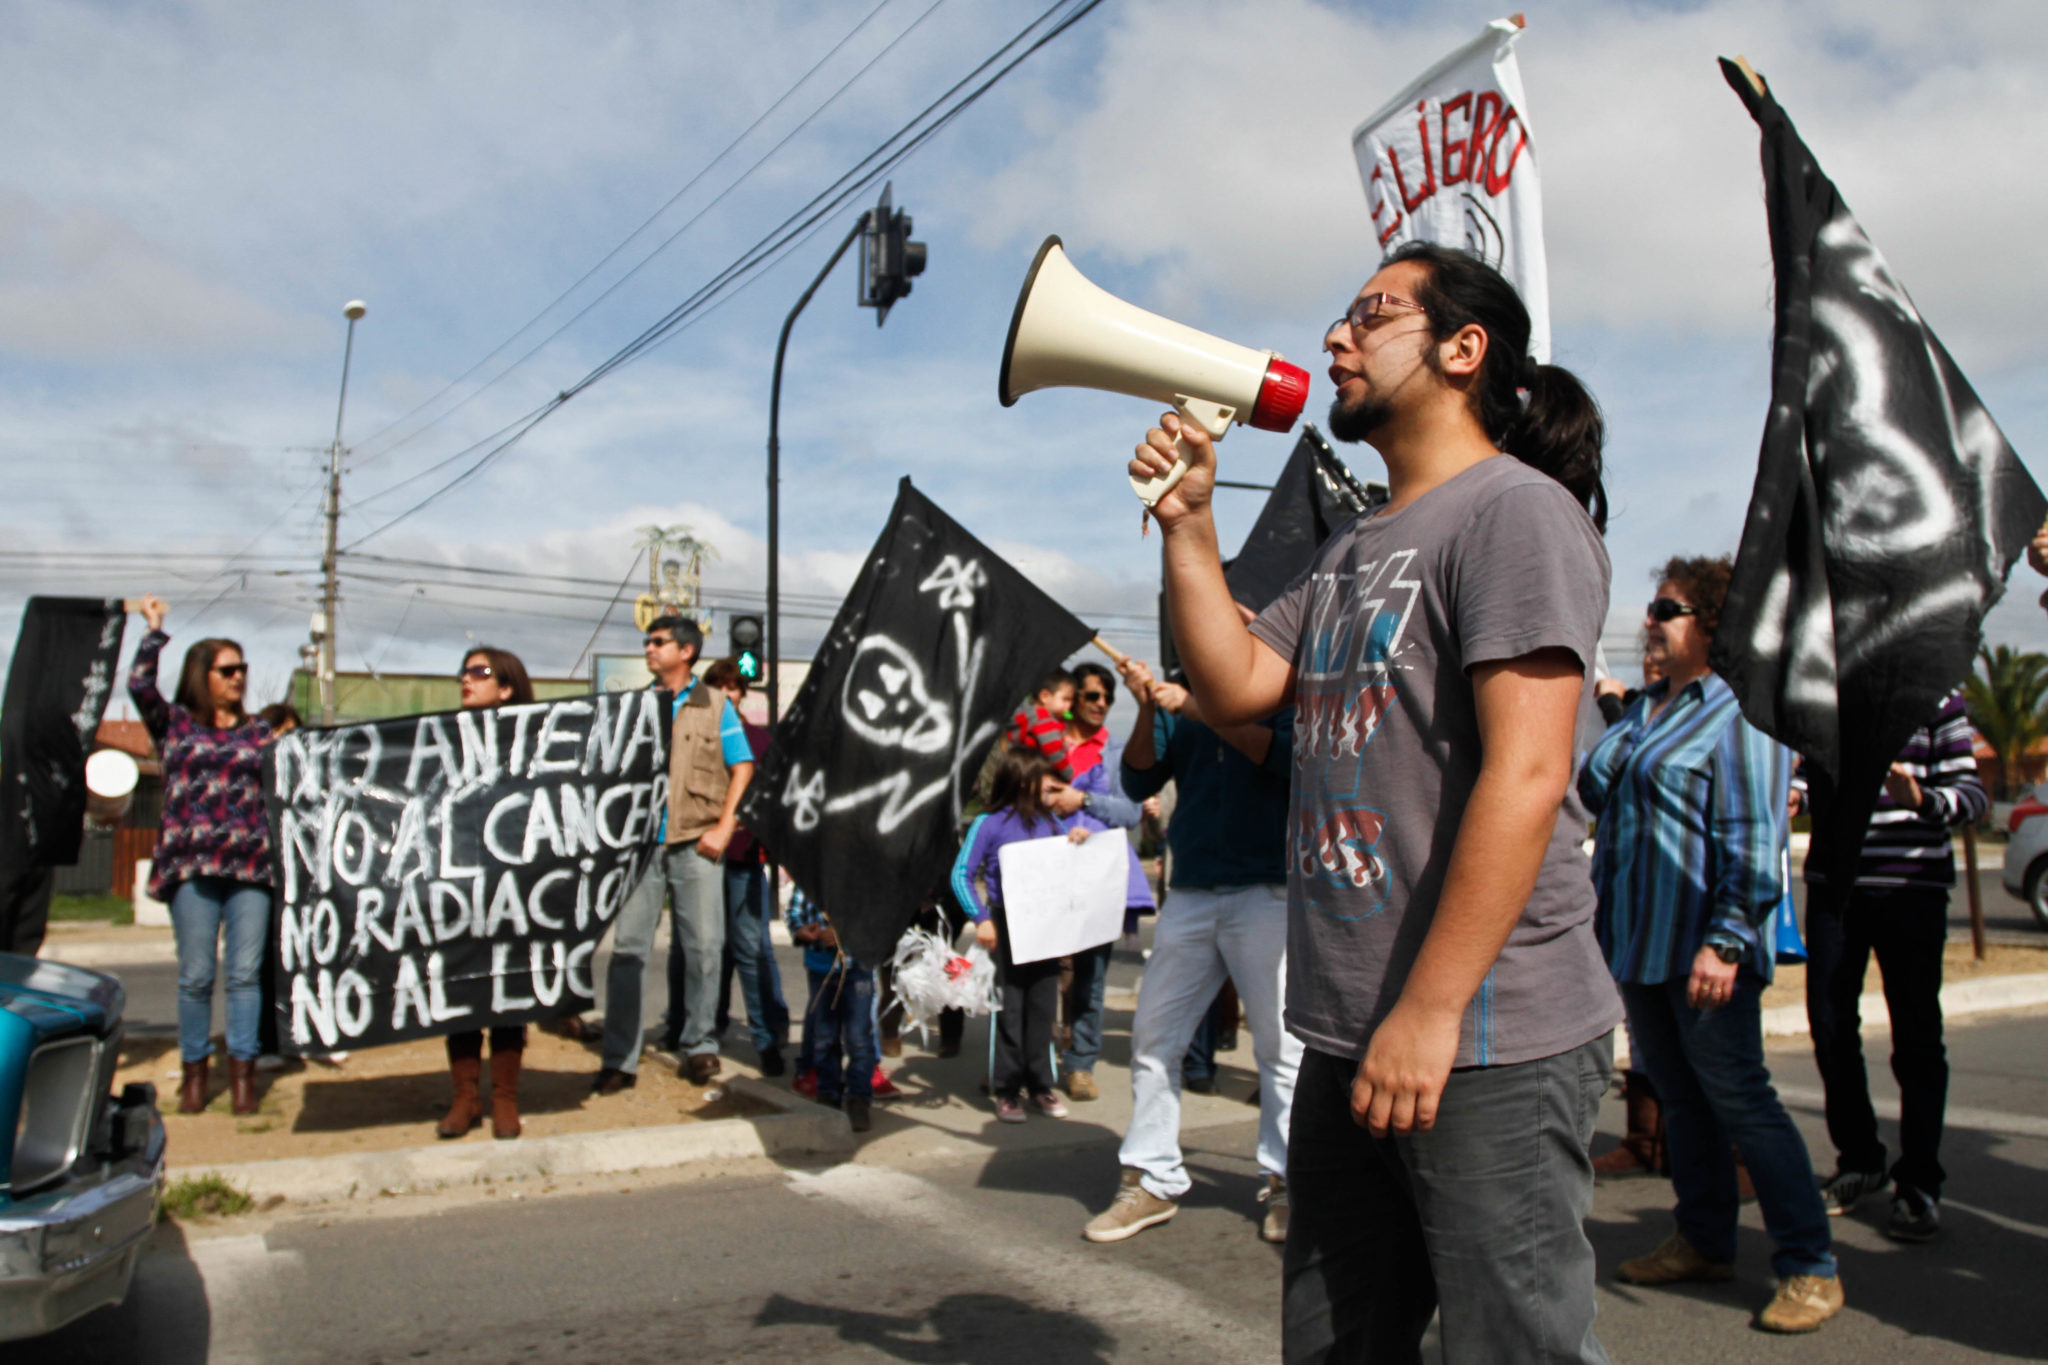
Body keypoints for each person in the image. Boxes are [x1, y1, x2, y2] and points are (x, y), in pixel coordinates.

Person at [1134, 242, 1620, 1362]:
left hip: (1483, 1034)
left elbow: (1527, 775)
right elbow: (1232, 686)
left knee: (1515, 1347)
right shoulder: (1353, 543)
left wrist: (1430, 1011)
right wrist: (1188, 524)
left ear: (1463, 349)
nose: (1334, 339)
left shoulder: (1516, 513)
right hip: (1349, 1028)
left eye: (1372, 315)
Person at [1579, 557, 1842, 1334]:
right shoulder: (1650, 708)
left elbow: (1758, 838)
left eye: (1669, 610)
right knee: (1681, 1098)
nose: (1651, 621)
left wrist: (1726, 942)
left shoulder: (1740, 710)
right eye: (1653, 609)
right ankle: (1702, 1238)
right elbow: (1594, 788)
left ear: (1715, 625)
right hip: (1642, 943)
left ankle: (1810, 1263)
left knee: (1741, 1100)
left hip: (1704, 945)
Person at [1083, 658, 1301, 1246]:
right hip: (1191, 893)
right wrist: (1146, 707)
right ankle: (1151, 1177)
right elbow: (1137, 783)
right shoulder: (1178, 689)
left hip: (1270, 890)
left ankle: (1288, 1182)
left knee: (1282, 1049)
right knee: (1154, 1040)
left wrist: (1202, 710)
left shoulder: (1284, 683)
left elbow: (1286, 759)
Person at [1797, 689, 1986, 1241]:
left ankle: (1919, 1180)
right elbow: (1810, 777)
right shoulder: (1828, 693)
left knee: (1917, 1036)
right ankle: (1860, 1159)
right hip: (1834, 886)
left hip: (1911, 888)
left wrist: (1922, 798)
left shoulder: (1937, 694)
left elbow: (1972, 796)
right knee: (1829, 1026)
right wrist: (1793, 794)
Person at [125, 595, 275, 1117]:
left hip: (251, 868)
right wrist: (154, 629)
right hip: (191, 868)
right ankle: (194, 1076)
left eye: (242, 669)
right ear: (203, 675)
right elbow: (138, 686)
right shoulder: (175, 725)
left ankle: (243, 1077)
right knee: (195, 976)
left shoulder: (259, 732)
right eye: (227, 669)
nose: (238, 677)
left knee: (245, 975)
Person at [594, 616, 754, 1092]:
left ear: (686, 651)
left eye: (659, 642)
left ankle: (700, 1045)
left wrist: (724, 828)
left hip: (696, 842)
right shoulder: (635, 706)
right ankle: (620, 1058)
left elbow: (742, 768)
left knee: (704, 947)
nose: (649, 648)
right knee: (628, 951)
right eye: (647, 641)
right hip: (640, 846)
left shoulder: (716, 705)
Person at [952, 747, 1092, 1123]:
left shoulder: (1050, 822)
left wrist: (1077, 840)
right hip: (1006, 925)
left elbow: (1068, 863)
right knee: (1009, 1007)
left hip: (1045, 926)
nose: (1051, 790)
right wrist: (981, 918)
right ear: (1022, 781)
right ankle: (1007, 1089)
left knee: (1043, 1006)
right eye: (1045, 782)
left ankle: (1040, 1085)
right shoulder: (989, 822)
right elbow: (961, 873)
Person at [437, 647, 539, 1140]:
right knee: (460, 992)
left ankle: (504, 1099)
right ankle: (465, 1099)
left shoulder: (531, 742)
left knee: (508, 992)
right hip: (457, 884)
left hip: (513, 885)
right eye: (464, 671)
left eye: (479, 673)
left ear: (506, 688)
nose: (467, 679)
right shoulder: (442, 739)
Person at [1050, 661, 1153, 1100]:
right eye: (1093, 695)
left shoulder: (1116, 752)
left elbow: (1130, 812)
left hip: (1097, 878)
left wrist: (1084, 800)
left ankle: (1080, 1064)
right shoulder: (1045, 742)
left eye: (1108, 697)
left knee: (1090, 978)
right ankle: (1029, 1065)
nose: (1102, 704)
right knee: (1036, 977)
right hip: (1045, 874)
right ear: (1073, 699)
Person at [698, 657, 791, 1076]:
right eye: (718, 687)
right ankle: (709, 1027)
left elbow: (771, 799)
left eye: (733, 687)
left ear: (742, 693)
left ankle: (767, 1039)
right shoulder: (698, 736)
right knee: (709, 949)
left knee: (752, 950)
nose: (726, 694)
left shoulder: (758, 740)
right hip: (703, 856)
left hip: (743, 858)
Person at [784, 886, 878, 1132]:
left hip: (858, 969)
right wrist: (801, 930)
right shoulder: (810, 881)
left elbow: (877, 917)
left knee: (858, 1037)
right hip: (821, 971)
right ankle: (828, 1091)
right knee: (824, 1036)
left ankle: (858, 1097)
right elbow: (793, 912)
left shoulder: (864, 880)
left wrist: (844, 933)